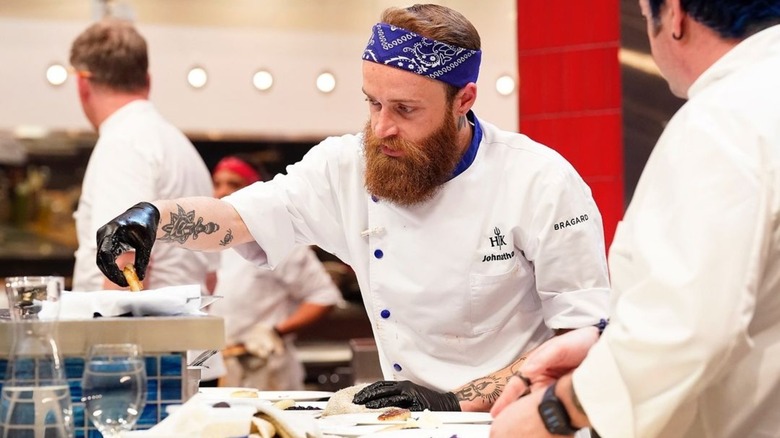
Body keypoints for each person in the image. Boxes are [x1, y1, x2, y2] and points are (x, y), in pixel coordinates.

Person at [93, 4, 611, 412]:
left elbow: (583, 334)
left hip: (512, 422)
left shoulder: (541, 182)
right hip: (403, 423)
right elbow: (239, 217)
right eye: (373, 103)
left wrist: (456, 400)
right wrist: (155, 218)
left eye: (406, 109)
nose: (382, 127)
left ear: (464, 100)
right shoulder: (345, 167)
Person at [490, 0, 780, 436]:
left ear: (676, 15)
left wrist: (556, 411)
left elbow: (688, 329)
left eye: (646, 11)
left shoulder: (722, 121)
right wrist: (604, 345)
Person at [69, 18, 215, 292]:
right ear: (147, 81)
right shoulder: (181, 147)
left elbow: (124, 271)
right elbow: (210, 276)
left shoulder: (123, 144)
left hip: (141, 333)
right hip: (183, 327)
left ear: (82, 84)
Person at [206, 156, 343, 390]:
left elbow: (324, 297)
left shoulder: (278, 239)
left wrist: (274, 332)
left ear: (254, 191)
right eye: (217, 184)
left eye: (234, 184)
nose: (222, 192)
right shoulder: (210, 243)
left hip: (267, 368)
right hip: (221, 365)